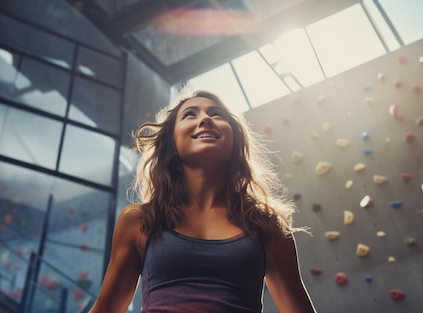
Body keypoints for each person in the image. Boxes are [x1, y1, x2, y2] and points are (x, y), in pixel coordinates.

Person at [89, 90, 316, 313]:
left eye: (217, 114)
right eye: (190, 114)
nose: (206, 119)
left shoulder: (268, 227)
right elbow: (105, 309)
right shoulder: (139, 220)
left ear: (234, 140)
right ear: (172, 141)